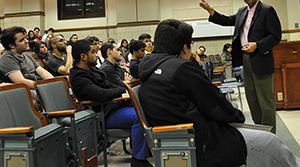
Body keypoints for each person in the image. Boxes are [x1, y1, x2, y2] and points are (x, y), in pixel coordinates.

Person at [138, 19, 299, 167]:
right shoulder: (181, 68)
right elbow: (216, 105)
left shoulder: (147, 68)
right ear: (185, 47)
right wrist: (237, 117)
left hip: (175, 141)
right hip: (202, 143)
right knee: (270, 141)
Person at [197, 0, 281, 133]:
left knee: (265, 101)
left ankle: (270, 135)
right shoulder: (242, 11)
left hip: (261, 59)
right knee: (252, 99)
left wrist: (257, 44)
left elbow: (276, 36)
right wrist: (210, 10)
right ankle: (261, 131)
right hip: (245, 59)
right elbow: (227, 20)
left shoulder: (267, 10)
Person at [69, 39, 152, 167]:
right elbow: (101, 94)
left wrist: (119, 90)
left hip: (112, 107)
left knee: (146, 107)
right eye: (93, 52)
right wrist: (122, 90)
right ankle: (138, 160)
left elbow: (108, 88)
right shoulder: (78, 77)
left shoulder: (94, 71)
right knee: (138, 116)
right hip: (101, 115)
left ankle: (148, 150)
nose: (96, 55)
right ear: (83, 56)